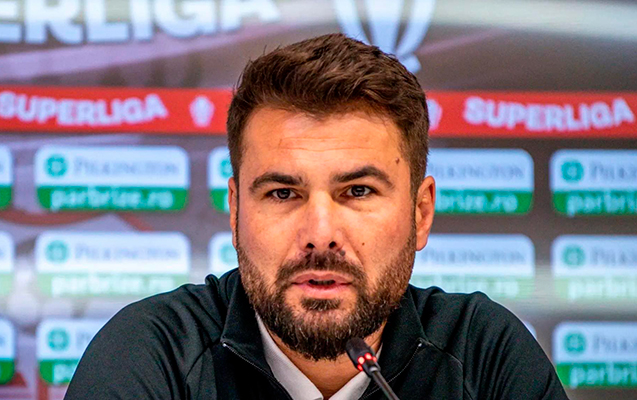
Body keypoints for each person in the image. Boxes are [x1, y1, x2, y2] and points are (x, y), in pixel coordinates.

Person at [65, 33, 569, 400]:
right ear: (236, 211)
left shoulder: (484, 355)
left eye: (358, 191)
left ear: (420, 214)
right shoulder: (152, 355)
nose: (321, 234)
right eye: (283, 193)